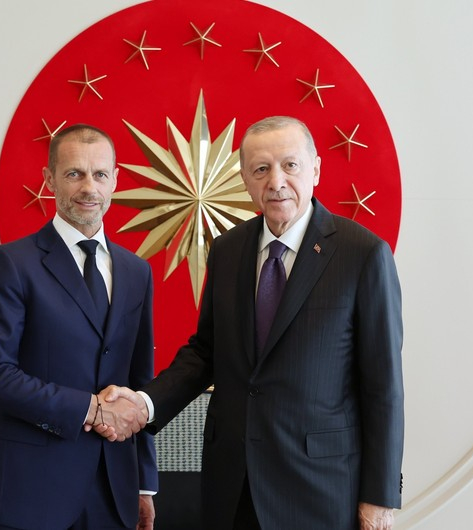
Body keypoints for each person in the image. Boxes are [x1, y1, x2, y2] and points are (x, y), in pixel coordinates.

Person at [101, 116, 403, 529]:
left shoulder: (363, 255)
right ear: (245, 179)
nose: (276, 181)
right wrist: (144, 404)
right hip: (232, 487)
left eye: (290, 165)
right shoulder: (227, 250)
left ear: (315, 168)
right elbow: (205, 352)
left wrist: (379, 497)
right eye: (261, 169)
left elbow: (383, 386)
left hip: (320, 490)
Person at [0, 123, 157, 530]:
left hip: (114, 495)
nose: (89, 187)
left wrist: (144, 485)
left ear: (115, 180)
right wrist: (90, 408)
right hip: (28, 495)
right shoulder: (9, 264)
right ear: (49, 179)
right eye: (74, 173)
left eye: (99, 174)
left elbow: (139, 381)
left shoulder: (136, 271)